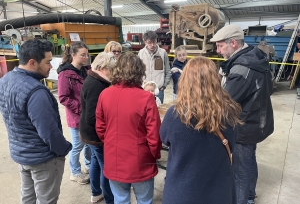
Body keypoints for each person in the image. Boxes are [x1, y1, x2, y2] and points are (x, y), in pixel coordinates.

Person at [160, 56, 242, 204]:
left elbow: (164, 139)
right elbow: (233, 143)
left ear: (185, 81)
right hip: (219, 190)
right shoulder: (229, 112)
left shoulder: (174, 115)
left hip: (182, 192)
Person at [0, 39, 72, 203]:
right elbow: (49, 132)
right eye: (48, 62)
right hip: (42, 158)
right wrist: (63, 149)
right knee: (47, 199)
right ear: (33, 62)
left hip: (21, 153)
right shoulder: (36, 92)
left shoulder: (5, 80)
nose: (51, 67)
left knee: (28, 197)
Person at [210, 24, 274, 204]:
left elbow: (224, 102)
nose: (218, 50)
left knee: (240, 170)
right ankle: (250, 196)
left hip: (244, 125)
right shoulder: (256, 57)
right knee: (249, 161)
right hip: (256, 119)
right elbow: (269, 89)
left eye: (220, 46)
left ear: (233, 43)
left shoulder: (241, 70)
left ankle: (242, 200)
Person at [95, 52, 162, 204]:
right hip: (140, 159)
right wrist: (155, 154)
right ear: (140, 71)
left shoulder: (105, 94)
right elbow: (154, 134)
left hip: (114, 158)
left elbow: (100, 128)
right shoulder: (146, 98)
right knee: (144, 200)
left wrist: (113, 141)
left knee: (120, 200)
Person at [80, 52, 116, 204]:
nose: (113, 73)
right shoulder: (96, 84)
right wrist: (106, 134)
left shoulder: (95, 79)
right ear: (101, 67)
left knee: (95, 162)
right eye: (111, 70)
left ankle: (96, 192)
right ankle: (110, 199)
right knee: (107, 169)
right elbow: (92, 117)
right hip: (95, 135)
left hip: (89, 133)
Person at [57, 41, 91, 185]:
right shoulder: (65, 74)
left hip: (89, 114)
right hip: (77, 116)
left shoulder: (87, 70)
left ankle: (89, 166)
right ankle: (75, 172)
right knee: (78, 145)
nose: (86, 57)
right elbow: (63, 97)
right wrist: (81, 108)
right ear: (73, 55)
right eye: (83, 55)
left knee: (89, 143)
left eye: (87, 54)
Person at [138, 30, 171, 104]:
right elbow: (137, 71)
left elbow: (168, 71)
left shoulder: (162, 53)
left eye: (154, 42)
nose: (152, 45)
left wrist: (164, 85)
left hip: (158, 90)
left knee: (158, 111)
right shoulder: (141, 53)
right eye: (149, 42)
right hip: (144, 89)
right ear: (145, 42)